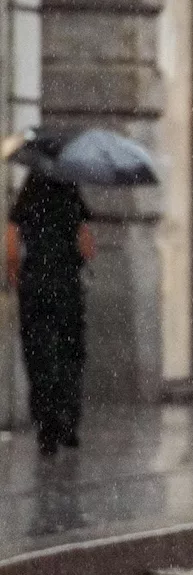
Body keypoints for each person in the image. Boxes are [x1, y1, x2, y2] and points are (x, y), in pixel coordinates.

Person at [5, 173, 94, 456]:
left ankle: (46, 426)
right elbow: (87, 244)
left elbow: (10, 240)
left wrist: (16, 273)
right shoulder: (70, 189)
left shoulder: (28, 193)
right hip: (67, 284)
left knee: (38, 354)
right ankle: (68, 422)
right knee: (70, 352)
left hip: (35, 284)